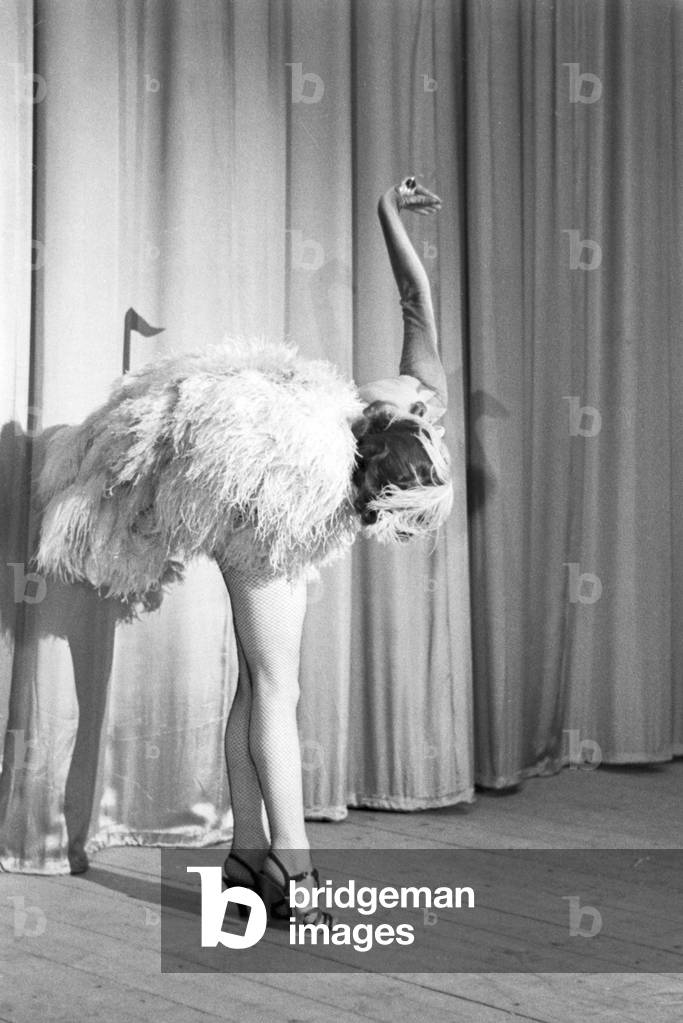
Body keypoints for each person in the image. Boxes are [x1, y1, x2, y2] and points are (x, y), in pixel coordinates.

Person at [35, 177, 451, 926]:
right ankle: (293, 866)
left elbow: (415, 297)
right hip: (261, 499)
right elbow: (416, 302)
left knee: (257, 686)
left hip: (259, 475)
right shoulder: (326, 481)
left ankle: (246, 857)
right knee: (275, 688)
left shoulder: (421, 391)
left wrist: (387, 207)